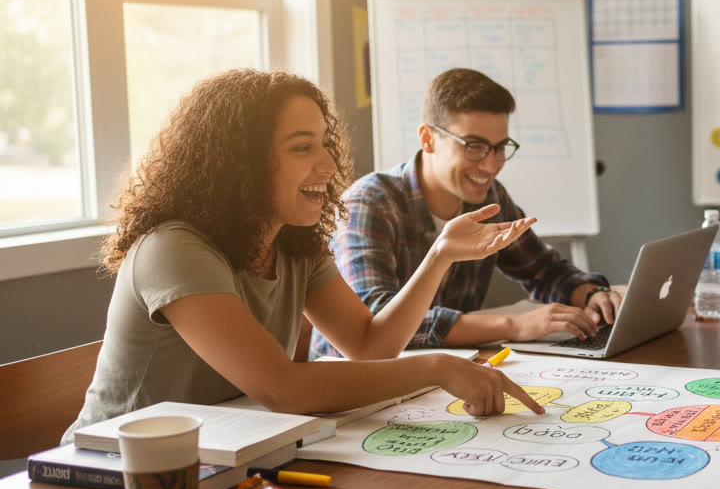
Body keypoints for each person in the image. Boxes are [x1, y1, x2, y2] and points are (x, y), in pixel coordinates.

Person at [65, 69, 544, 440]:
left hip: (220, 451)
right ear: (241, 162)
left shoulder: (293, 243)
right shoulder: (173, 248)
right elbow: (283, 389)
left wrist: (440, 254)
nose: (329, 164)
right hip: (110, 470)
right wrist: (438, 367)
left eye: (325, 144)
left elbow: (369, 346)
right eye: (302, 148)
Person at [310, 68, 620, 358]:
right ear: (428, 139)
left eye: (500, 147)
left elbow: (543, 270)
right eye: (474, 146)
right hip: (353, 383)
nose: (490, 165)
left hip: (441, 373)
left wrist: (592, 295)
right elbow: (376, 318)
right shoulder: (369, 203)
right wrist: (515, 325)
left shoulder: (490, 197)